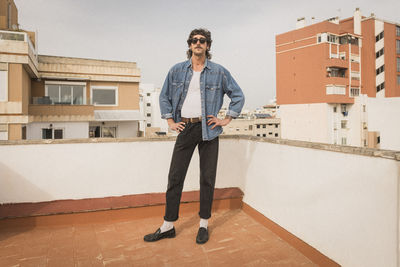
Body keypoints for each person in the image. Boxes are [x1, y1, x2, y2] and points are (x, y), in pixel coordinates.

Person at [144, 28, 245, 244]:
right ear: (189, 44)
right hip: (186, 128)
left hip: (209, 128)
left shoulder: (219, 72)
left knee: (207, 179)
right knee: (175, 177)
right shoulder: (176, 70)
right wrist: (170, 120)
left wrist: (226, 119)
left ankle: (203, 224)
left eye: (203, 40)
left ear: (208, 45)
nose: (198, 43)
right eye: (194, 40)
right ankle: (168, 225)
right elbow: (164, 97)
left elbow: (238, 95)